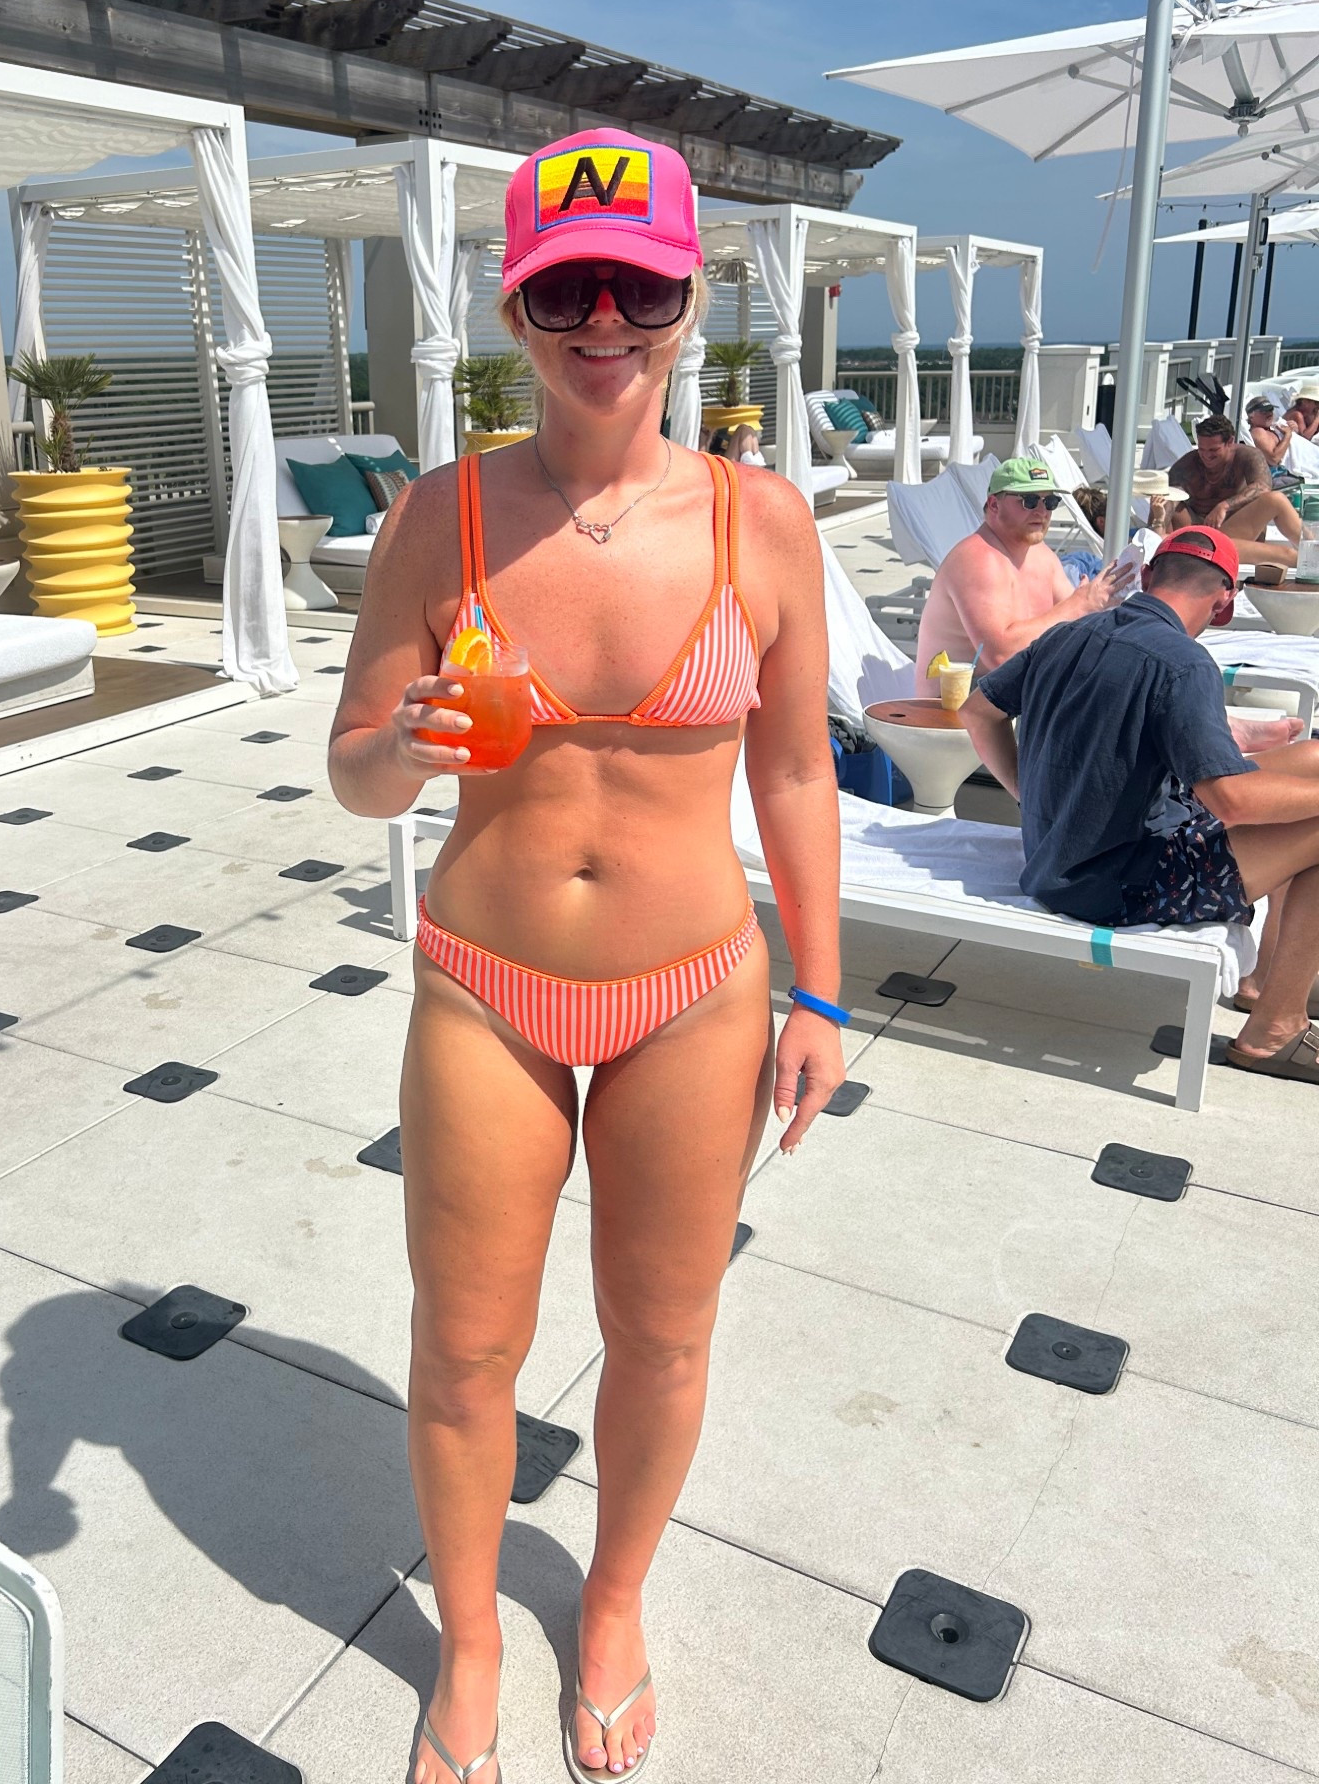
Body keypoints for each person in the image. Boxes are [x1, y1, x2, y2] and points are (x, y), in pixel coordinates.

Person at [329, 129, 844, 1784]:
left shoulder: (765, 523)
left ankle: (610, 1603)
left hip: (695, 988)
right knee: (463, 1346)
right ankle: (473, 1637)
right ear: (516, 311)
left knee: (665, 1333)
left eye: (640, 288)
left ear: (692, 302)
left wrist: (821, 990)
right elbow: (353, 776)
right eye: (567, 293)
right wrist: (403, 745)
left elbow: (795, 772)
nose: (605, 322)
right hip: (485, 982)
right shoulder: (446, 516)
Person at [960, 526, 1319, 1080]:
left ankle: (1265, 981)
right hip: (1117, 881)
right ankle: (1275, 1027)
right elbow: (1230, 801)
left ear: (1148, 576)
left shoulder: (1066, 635)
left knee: (1313, 757)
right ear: (1223, 602)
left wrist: (1027, 795)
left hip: (1064, 854)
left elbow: (977, 712)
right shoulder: (1185, 663)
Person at [914, 457, 1132, 693]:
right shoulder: (978, 559)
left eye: (1050, 501)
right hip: (955, 705)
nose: (1042, 511)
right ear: (994, 505)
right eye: (1029, 501)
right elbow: (1001, 656)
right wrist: (1081, 604)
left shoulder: (1042, 555)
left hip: (1014, 694)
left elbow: (1076, 628)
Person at [1167, 413, 1301, 564]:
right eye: (1201, 449)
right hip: (1200, 542)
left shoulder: (1247, 456)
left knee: (1276, 500)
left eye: (1213, 450)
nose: (1206, 455)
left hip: (1235, 531)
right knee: (1167, 499)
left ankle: (1312, 546)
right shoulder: (1186, 465)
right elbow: (1166, 500)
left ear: (1230, 442)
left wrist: (1225, 506)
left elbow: (1263, 487)